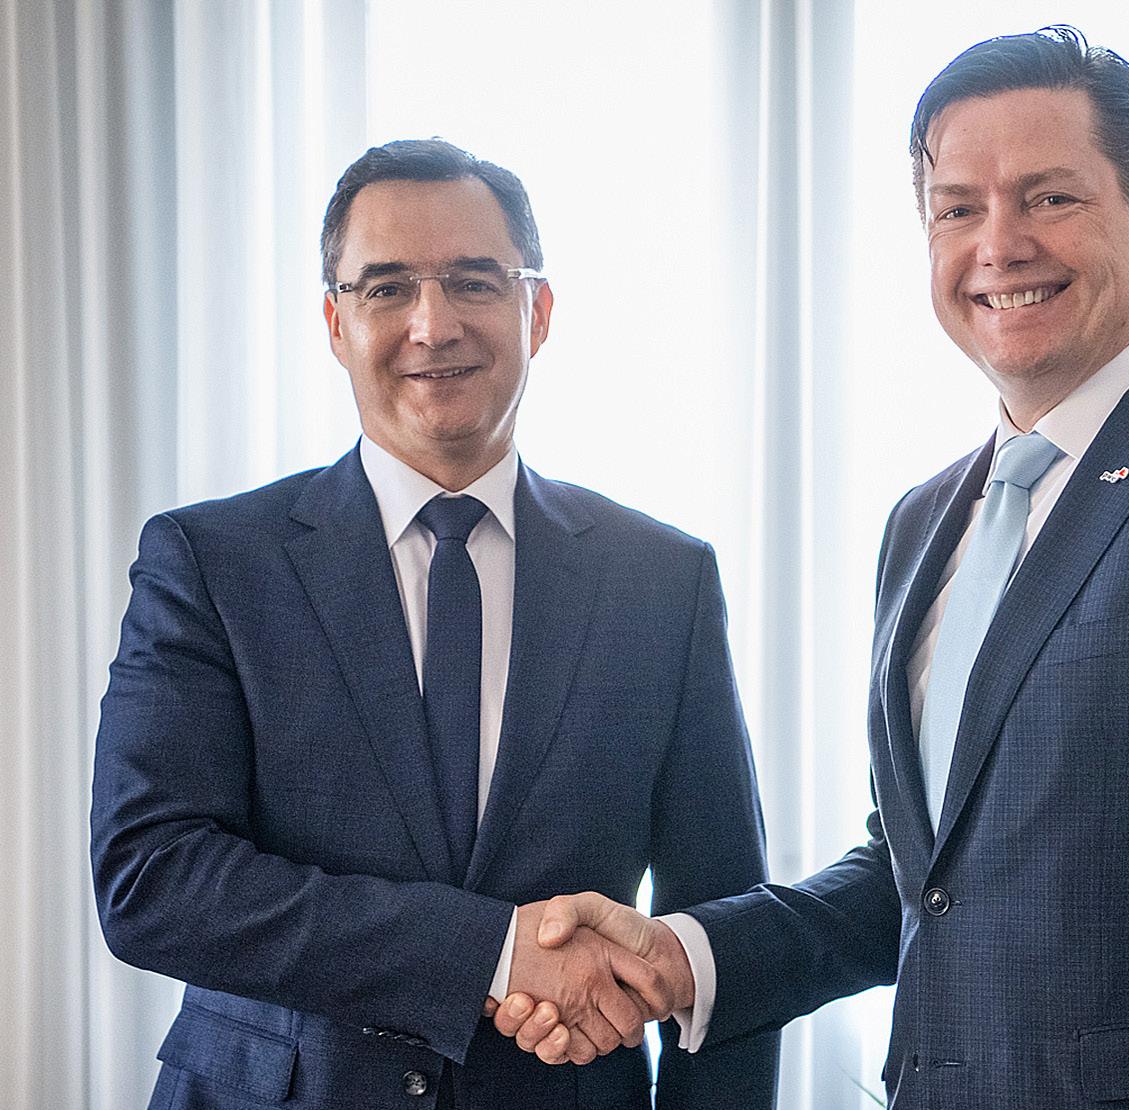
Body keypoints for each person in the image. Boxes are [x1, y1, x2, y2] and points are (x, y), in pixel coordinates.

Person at [493, 27, 1129, 1109]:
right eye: (956, 210)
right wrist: (682, 957)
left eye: (1048, 197)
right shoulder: (922, 523)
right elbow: (922, 880)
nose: (999, 245)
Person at [91, 139, 779, 1110]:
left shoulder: (663, 581)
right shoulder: (210, 562)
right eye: (385, 288)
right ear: (335, 324)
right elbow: (150, 880)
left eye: (472, 281)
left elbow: (723, 934)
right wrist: (490, 953)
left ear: (537, 312)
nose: (432, 323)